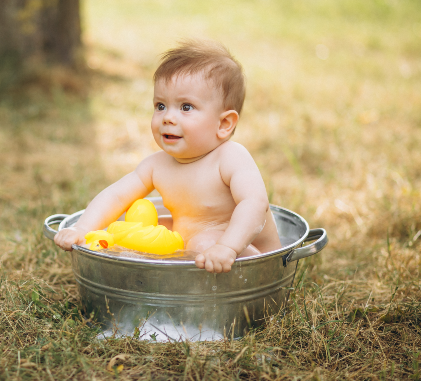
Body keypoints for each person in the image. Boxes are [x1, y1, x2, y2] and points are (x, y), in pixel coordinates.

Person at [54, 39, 281, 273]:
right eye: (160, 105)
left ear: (224, 123)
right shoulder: (157, 165)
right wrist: (82, 229)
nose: (168, 118)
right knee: (131, 229)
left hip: (248, 252)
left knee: (201, 243)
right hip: (194, 246)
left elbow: (254, 204)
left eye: (185, 107)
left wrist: (227, 247)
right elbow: (116, 196)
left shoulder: (231, 157)